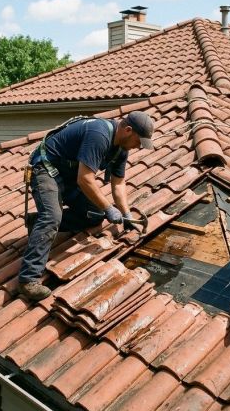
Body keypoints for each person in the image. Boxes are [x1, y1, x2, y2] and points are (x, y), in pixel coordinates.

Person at [18, 111, 155, 301]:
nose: (139, 146)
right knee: (52, 217)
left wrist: (126, 214)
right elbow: (85, 179)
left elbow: (119, 183)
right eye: (138, 141)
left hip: (70, 176)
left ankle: (36, 222)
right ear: (128, 130)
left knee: (95, 213)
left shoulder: (121, 149)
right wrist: (109, 207)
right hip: (46, 169)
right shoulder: (99, 134)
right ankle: (28, 280)